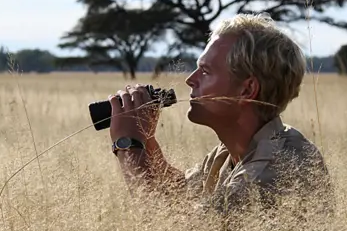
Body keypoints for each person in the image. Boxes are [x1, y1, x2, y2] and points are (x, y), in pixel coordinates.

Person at [107, 13, 332, 214]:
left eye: (205, 71)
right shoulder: (232, 151)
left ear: (246, 90)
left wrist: (128, 144)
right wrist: (146, 139)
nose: (190, 79)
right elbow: (179, 193)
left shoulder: (276, 168)